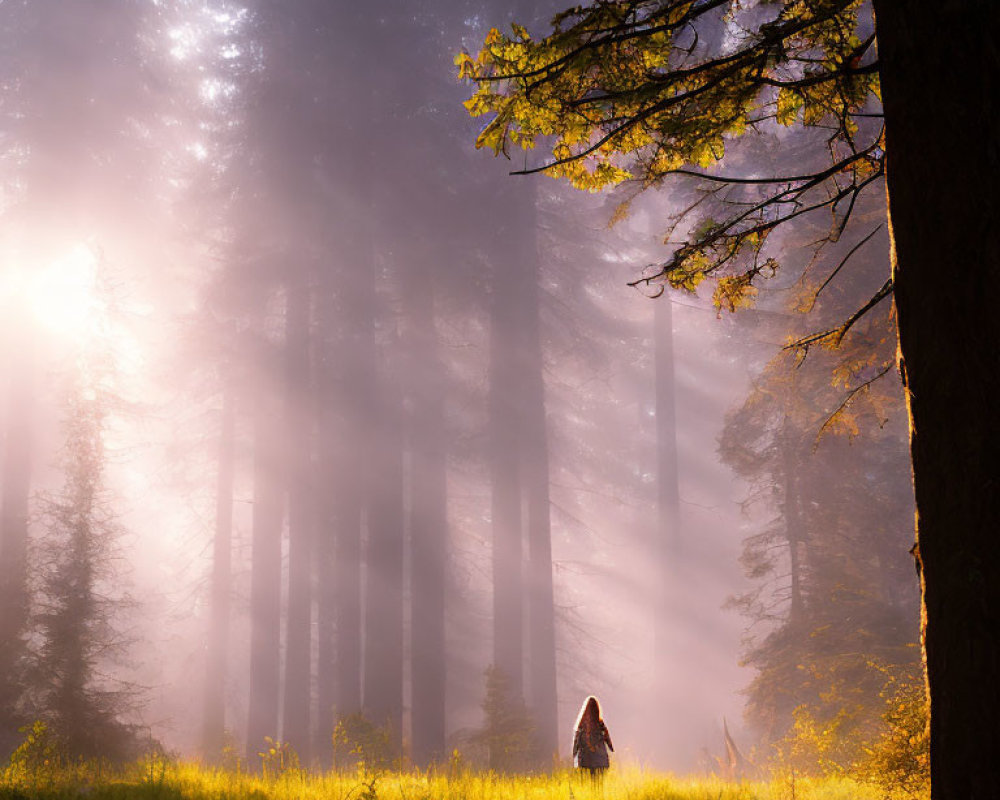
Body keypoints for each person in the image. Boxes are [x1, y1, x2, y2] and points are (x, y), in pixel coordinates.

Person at [572, 695, 614, 779]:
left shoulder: (581, 725)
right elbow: (607, 737)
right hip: (599, 759)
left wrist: (575, 753)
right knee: (598, 783)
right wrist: (611, 747)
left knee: (587, 782)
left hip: (585, 760)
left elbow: (576, 741)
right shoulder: (600, 724)